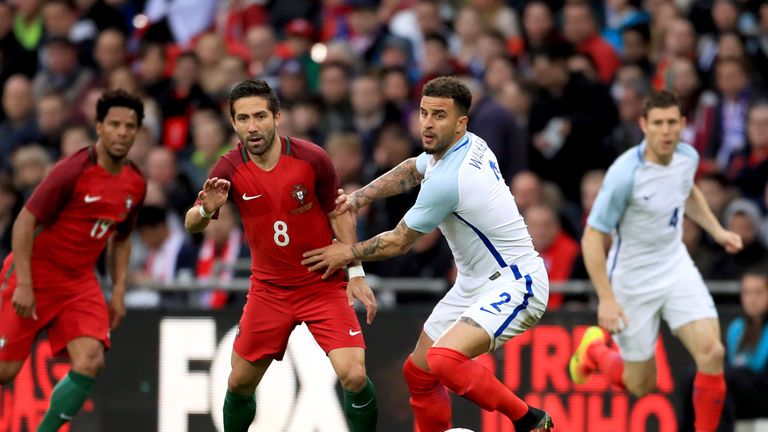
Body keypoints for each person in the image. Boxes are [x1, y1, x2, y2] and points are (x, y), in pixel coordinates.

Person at [302, 76, 554, 432]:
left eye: (439, 116)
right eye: (423, 113)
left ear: (460, 122)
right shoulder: (464, 146)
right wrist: (359, 198)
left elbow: (398, 242)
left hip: (517, 283)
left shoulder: (450, 179)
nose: (428, 123)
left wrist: (344, 253)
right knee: (418, 371)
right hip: (474, 283)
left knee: (443, 361)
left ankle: (530, 421)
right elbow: (412, 169)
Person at [184, 79, 379, 432]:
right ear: (233, 123)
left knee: (354, 375)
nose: (252, 126)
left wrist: (355, 272)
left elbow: (337, 212)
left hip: (321, 285)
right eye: (243, 119)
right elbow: (191, 224)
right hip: (269, 292)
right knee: (238, 384)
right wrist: (205, 211)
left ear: (277, 117)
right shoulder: (228, 169)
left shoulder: (311, 158)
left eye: (260, 116)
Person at [570, 90, 743, 432]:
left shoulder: (687, 157)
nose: (666, 131)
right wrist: (606, 298)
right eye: (658, 124)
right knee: (641, 385)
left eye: (671, 123)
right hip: (632, 280)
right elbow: (592, 237)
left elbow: (686, 191)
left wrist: (717, 230)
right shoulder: (624, 175)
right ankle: (594, 352)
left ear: (682, 124)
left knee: (713, 353)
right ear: (644, 126)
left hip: (675, 265)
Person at [0, 90, 146, 431]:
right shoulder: (74, 170)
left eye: (130, 126)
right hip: (34, 272)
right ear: (99, 127)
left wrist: (119, 291)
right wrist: (24, 282)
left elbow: (121, 239)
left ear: (138, 131)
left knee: (91, 360)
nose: (122, 132)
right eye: (114, 124)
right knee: (5, 371)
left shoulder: (135, 183)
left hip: (79, 281)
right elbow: (24, 221)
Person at [679, 270, 768, 432]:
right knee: (692, 376)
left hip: (762, 394)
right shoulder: (736, 328)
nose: (752, 299)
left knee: (726, 380)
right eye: (747, 292)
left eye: (758, 292)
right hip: (737, 391)